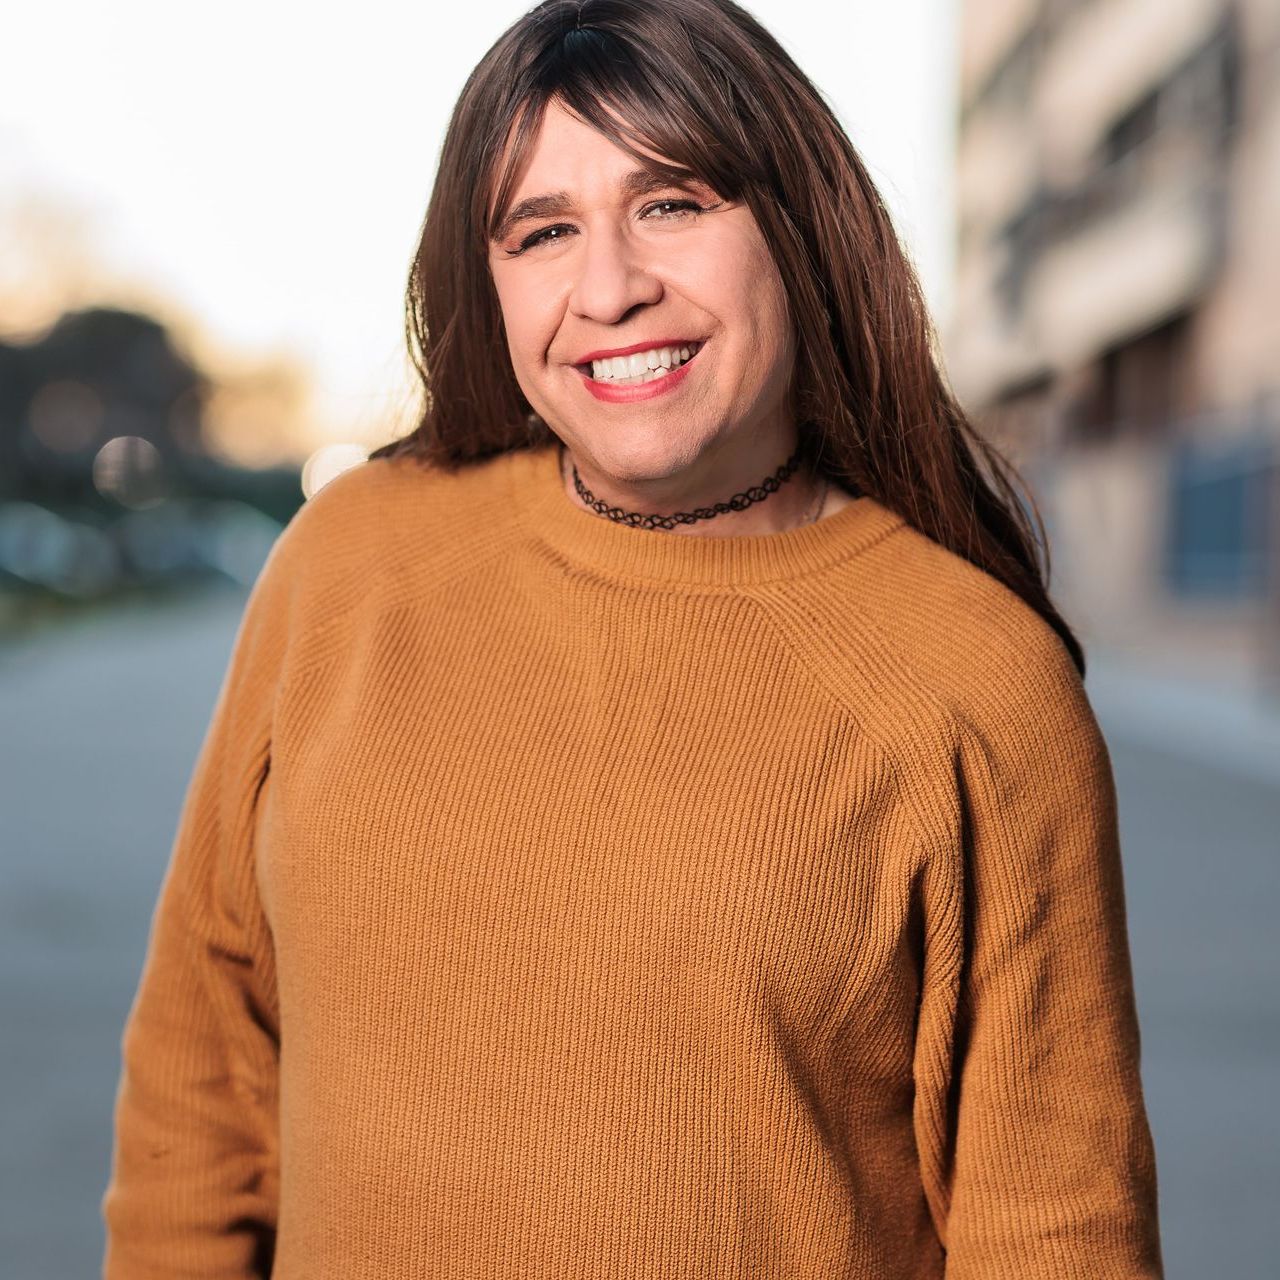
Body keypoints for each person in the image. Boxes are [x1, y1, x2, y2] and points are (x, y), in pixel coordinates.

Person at [101, 1, 1165, 1276]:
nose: (607, 288)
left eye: (672, 204)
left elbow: (1057, 1232)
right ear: (483, 276)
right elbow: (200, 1074)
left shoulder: (974, 682)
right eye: (542, 230)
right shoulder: (347, 564)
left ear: (798, 226)